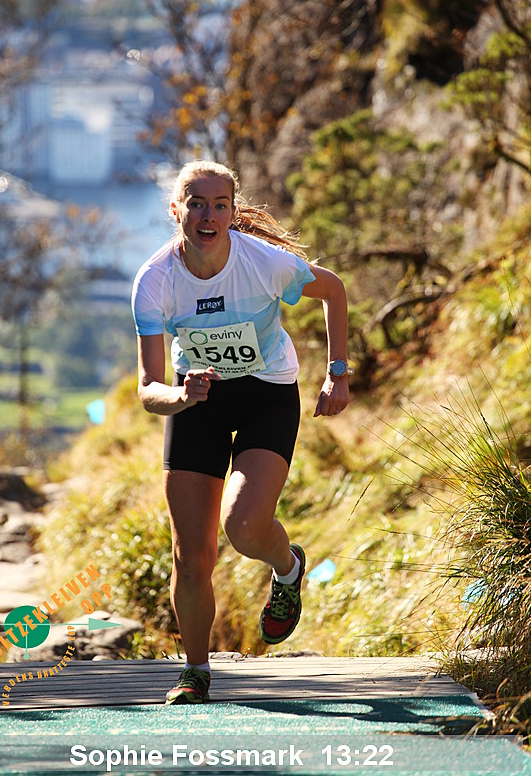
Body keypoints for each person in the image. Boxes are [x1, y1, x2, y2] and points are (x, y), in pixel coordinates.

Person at [132, 160, 350, 705]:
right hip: (198, 399)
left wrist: (337, 374)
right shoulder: (155, 280)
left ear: (232, 211)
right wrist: (183, 396)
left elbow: (334, 290)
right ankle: (196, 672)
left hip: (265, 395)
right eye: (196, 204)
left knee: (245, 526)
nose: (208, 216)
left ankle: (288, 568)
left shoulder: (263, 263)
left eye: (220, 205)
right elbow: (147, 388)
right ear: (176, 210)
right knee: (191, 553)